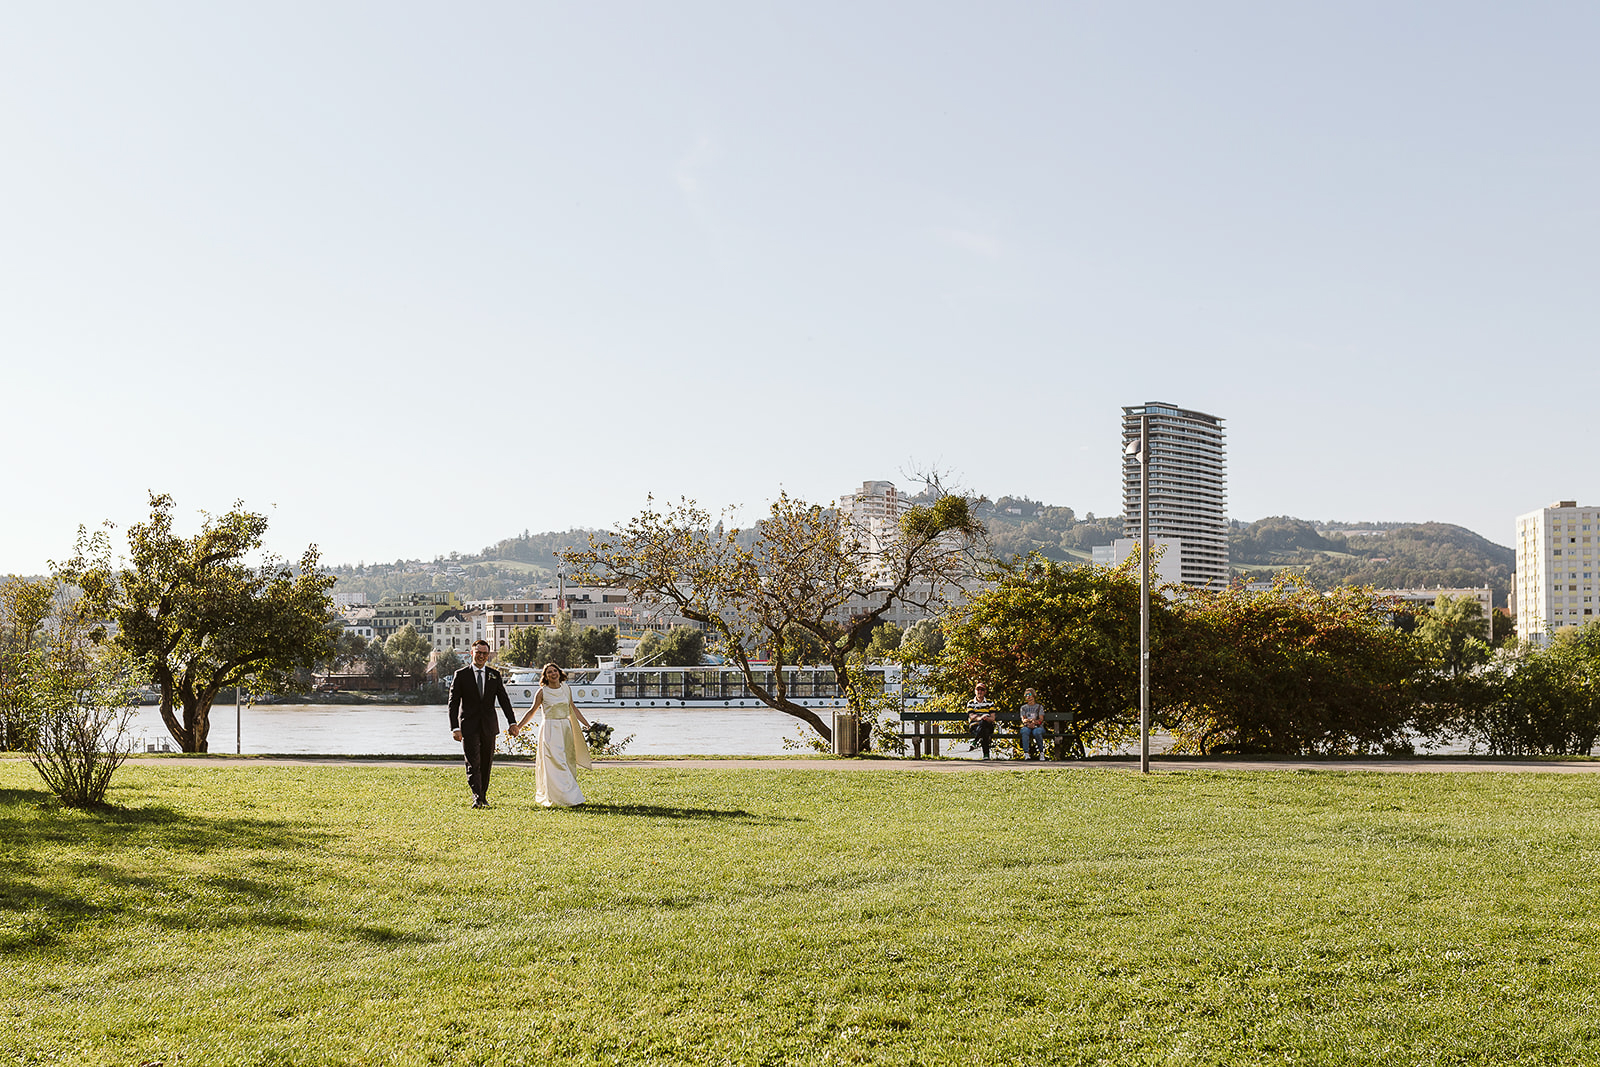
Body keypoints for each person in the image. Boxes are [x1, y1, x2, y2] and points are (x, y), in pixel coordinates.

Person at [449, 639, 519, 809]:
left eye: (484, 653)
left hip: (488, 725)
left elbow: (504, 700)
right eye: (478, 652)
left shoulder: (494, 675)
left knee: (486, 763)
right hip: (468, 726)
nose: (481, 656)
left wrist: (512, 722)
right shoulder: (461, 675)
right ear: (471, 653)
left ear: (488, 655)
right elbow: (453, 703)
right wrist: (455, 728)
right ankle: (477, 797)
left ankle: (483, 795)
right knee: (473, 762)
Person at [514, 662, 592, 807]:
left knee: (567, 762)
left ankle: (568, 795)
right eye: (549, 672)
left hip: (565, 729)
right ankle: (568, 798)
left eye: (554, 670)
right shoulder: (542, 692)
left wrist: (587, 725)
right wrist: (518, 727)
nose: (553, 674)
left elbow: (573, 708)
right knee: (555, 762)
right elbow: (532, 711)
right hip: (550, 729)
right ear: (545, 676)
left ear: (559, 672)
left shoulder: (566, 688)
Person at [966, 682, 996, 760]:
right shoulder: (971, 703)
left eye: (982, 690)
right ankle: (986, 755)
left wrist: (986, 718)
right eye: (978, 690)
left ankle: (975, 741)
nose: (980, 692)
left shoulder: (990, 703)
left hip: (988, 724)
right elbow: (971, 716)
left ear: (985, 691)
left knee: (985, 725)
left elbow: (992, 718)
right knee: (984, 730)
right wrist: (981, 718)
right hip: (975, 726)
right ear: (975, 691)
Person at [1019, 688, 1047, 760]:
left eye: (1030, 694)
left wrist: (1035, 723)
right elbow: (1023, 719)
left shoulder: (1039, 707)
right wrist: (1030, 722)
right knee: (1024, 731)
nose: (1028, 696)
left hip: (1038, 727)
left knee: (1037, 732)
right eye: (1026, 695)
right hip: (1027, 726)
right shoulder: (1023, 708)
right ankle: (1026, 753)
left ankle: (1041, 752)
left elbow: (1041, 719)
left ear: (1034, 695)